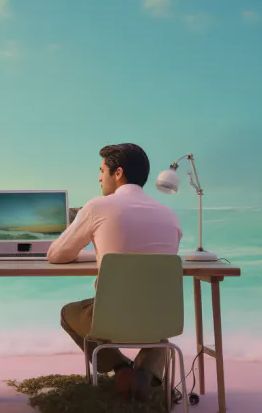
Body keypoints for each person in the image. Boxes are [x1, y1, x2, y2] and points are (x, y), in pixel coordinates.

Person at [46, 143, 183, 402]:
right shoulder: (170, 216)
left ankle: (121, 369)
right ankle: (145, 374)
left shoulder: (98, 207)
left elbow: (56, 254)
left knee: (68, 314)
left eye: (101, 171)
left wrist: (84, 236)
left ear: (117, 173)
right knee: (157, 324)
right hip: (161, 317)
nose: (99, 178)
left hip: (109, 318)